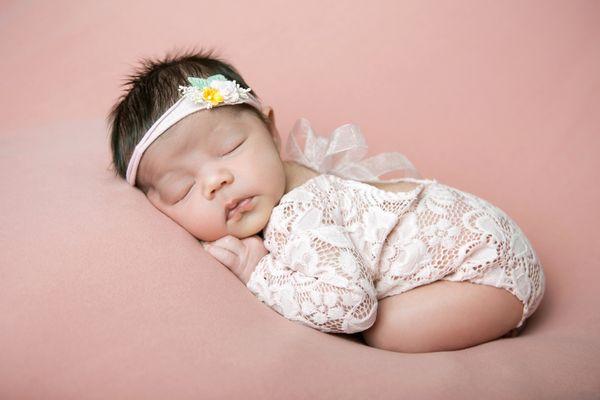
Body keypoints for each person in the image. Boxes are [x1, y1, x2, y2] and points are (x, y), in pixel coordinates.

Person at [107, 48, 545, 353]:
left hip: (490, 274)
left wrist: (258, 271)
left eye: (229, 149)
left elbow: (353, 308)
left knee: (384, 332)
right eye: (183, 189)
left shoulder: (298, 213)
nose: (217, 181)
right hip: (489, 238)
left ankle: (494, 319)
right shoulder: (299, 184)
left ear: (271, 131)